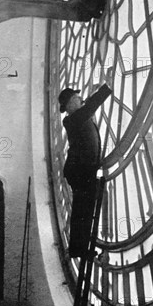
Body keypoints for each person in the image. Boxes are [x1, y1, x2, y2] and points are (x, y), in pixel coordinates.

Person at [58, 81, 112, 258]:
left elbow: (88, 104)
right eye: (75, 97)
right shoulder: (73, 119)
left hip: (81, 172)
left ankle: (79, 249)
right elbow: (90, 105)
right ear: (69, 105)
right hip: (80, 173)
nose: (79, 99)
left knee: (84, 210)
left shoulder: (77, 118)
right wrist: (107, 88)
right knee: (83, 211)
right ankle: (78, 249)